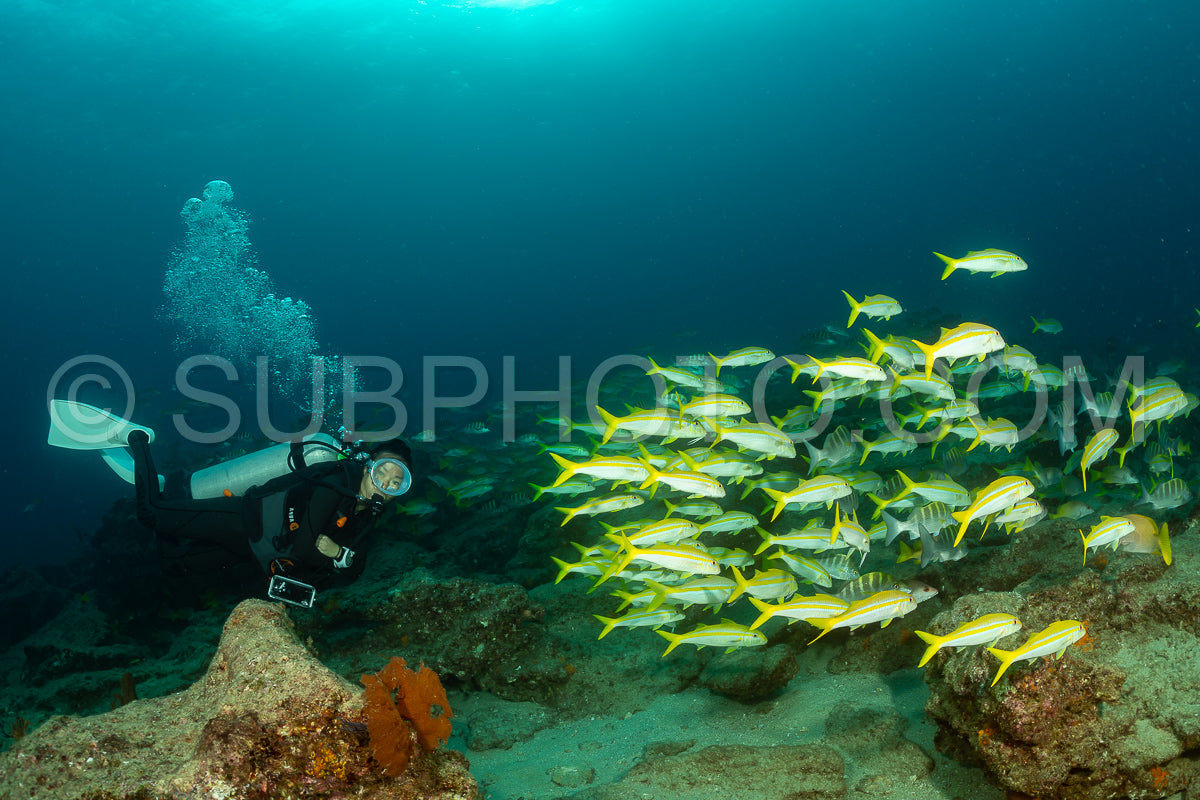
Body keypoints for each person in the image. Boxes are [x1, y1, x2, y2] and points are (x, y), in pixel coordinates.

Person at [125, 430, 412, 607]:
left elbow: (356, 570)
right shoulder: (337, 482)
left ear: (399, 490)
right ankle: (137, 441)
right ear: (367, 468)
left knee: (171, 566)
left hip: (255, 551)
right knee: (152, 513)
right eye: (383, 471)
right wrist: (337, 557)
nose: (385, 483)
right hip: (247, 519)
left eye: (396, 482)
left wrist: (336, 552)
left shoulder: (367, 515)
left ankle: (165, 494)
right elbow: (304, 549)